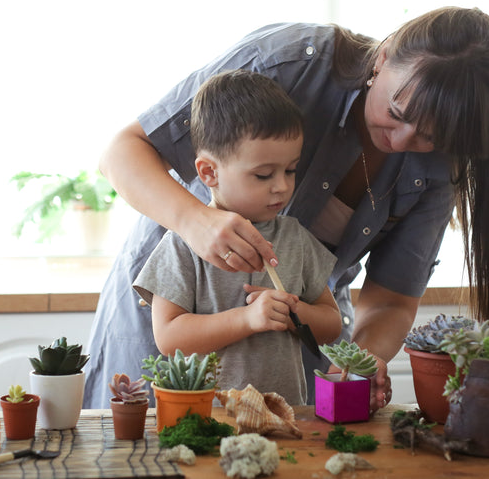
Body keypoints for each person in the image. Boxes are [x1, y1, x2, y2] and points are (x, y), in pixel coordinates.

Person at [82, 6, 489, 411]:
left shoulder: (438, 168)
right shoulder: (289, 62)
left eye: (430, 137)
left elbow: (390, 299)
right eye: (396, 112)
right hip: (162, 330)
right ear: (384, 57)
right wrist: (195, 221)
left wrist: (362, 358)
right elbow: (123, 151)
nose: (402, 141)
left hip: (284, 360)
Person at [133, 69, 342, 405]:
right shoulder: (183, 243)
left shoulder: (295, 238)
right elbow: (169, 336)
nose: (282, 186)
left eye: (290, 170)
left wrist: (292, 313)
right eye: (263, 174)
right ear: (209, 172)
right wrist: (247, 319)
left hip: (284, 416)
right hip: (209, 418)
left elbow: (332, 324)